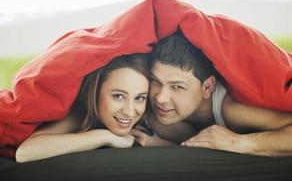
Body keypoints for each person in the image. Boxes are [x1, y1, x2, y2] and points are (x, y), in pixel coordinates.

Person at [132, 30, 292, 157]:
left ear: (207, 87)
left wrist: (238, 142)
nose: (160, 97)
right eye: (156, 81)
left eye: (177, 87)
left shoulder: (233, 109)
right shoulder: (154, 112)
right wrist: (162, 145)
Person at [15, 53, 150, 163]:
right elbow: (24, 153)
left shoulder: (150, 116)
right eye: (118, 96)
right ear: (95, 92)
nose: (130, 112)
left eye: (139, 98)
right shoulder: (80, 113)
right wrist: (103, 136)